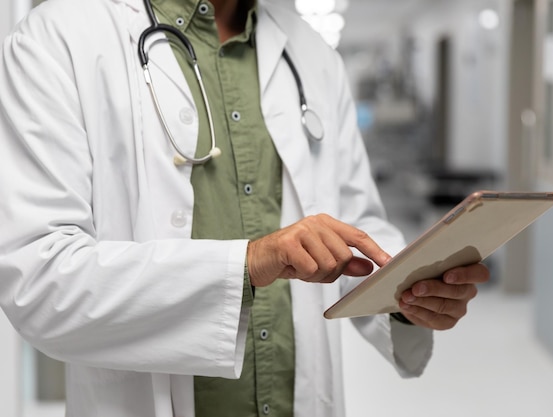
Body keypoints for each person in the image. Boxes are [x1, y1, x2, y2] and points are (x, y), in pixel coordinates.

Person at [0, 0, 489, 416]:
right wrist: (247, 264)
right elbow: (39, 276)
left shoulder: (312, 55)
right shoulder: (61, 36)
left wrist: (410, 294)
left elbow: (357, 225)